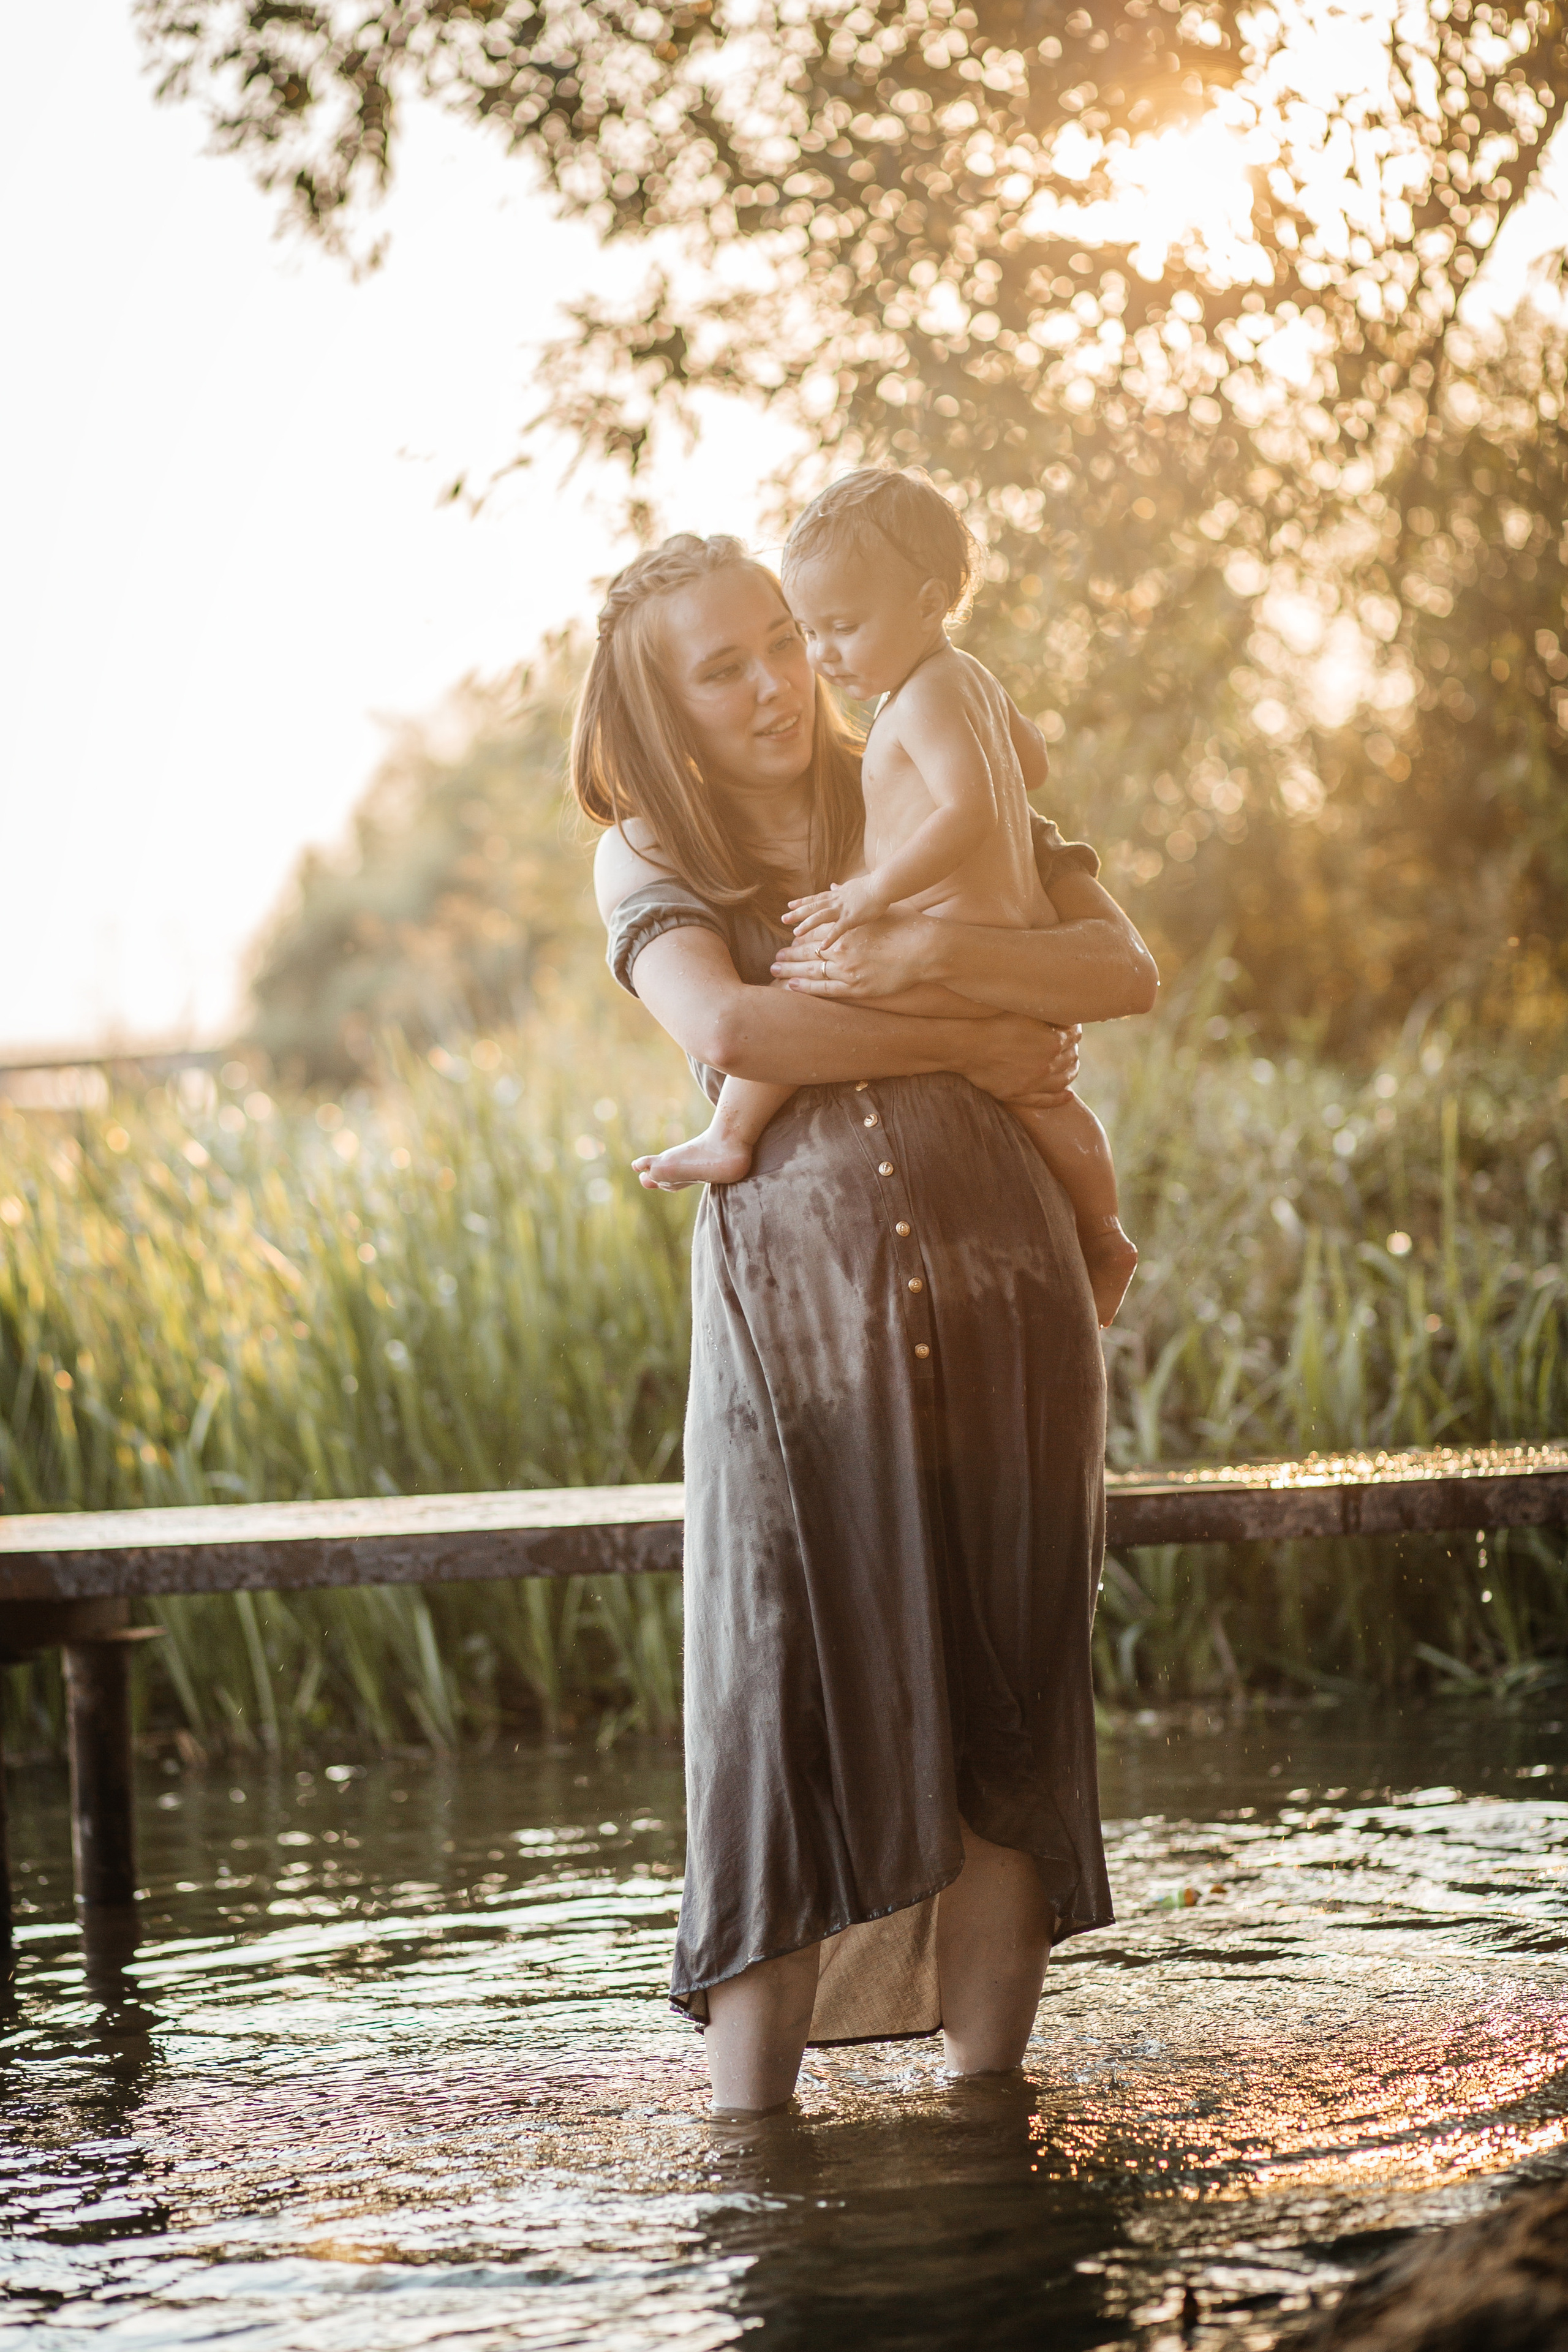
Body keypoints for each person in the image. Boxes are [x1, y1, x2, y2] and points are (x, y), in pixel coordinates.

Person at [573, 530, 1157, 2114]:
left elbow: (1115, 966)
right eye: (725, 668)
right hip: (795, 1329)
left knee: (1003, 1695)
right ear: (662, 705)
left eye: (782, 638)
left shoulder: (928, 743)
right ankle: (748, 2151)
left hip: (1006, 1292)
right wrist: (975, 1028)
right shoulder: (648, 851)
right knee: (779, 1694)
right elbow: (729, 1022)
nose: (777, 683)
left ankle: (987, 2133)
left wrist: (927, 958)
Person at [631, 469, 1138, 1328]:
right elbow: (1030, 763)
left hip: (952, 932)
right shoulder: (965, 681)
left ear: (928, 603)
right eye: (810, 632)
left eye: (839, 629)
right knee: (1048, 1098)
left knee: (810, 986)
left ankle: (730, 1134)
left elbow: (970, 814)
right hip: (999, 942)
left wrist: (875, 892)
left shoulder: (922, 700)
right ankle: (1105, 1232)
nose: (819, 660)